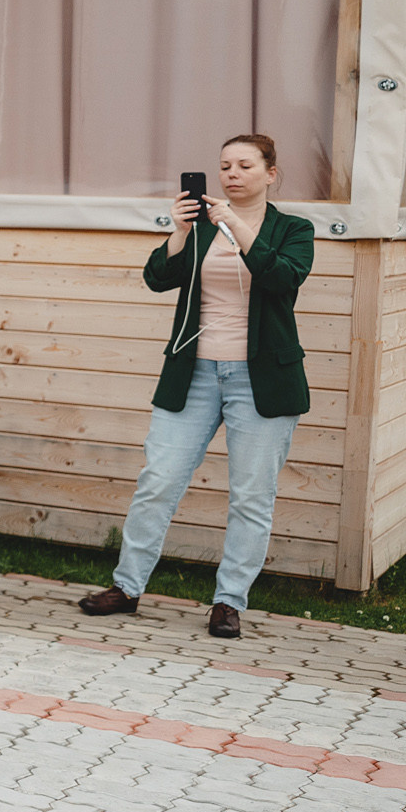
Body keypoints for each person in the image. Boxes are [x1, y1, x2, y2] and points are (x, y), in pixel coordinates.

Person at [77, 135, 312, 640]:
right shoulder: (201, 228)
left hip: (261, 380)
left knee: (251, 496)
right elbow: (158, 278)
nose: (231, 173)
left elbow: (283, 278)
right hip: (195, 375)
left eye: (245, 165)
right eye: (225, 165)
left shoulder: (293, 228)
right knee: (158, 481)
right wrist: (181, 232)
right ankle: (127, 588)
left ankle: (228, 602)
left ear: (270, 173)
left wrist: (236, 226)